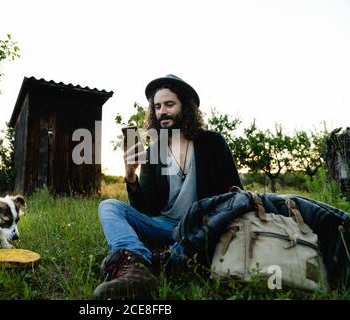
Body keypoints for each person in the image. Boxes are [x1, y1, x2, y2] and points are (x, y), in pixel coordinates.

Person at [93, 74, 243, 299]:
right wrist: (130, 175)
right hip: (162, 225)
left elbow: (234, 194)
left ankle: (163, 259)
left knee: (200, 243)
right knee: (109, 206)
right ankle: (137, 265)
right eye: (157, 106)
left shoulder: (213, 143)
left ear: (186, 107)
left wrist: (211, 225)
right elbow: (147, 208)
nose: (162, 111)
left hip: (199, 227)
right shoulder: (154, 152)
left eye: (169, 104)